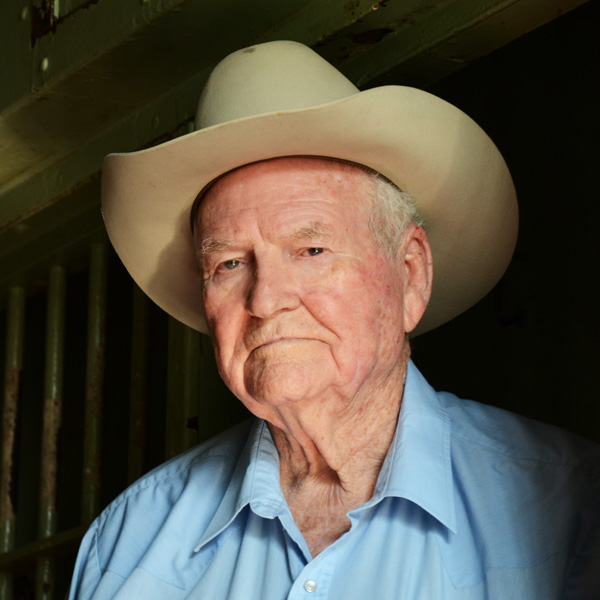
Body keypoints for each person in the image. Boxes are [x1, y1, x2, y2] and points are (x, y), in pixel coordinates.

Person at [69, 41, 599, 599]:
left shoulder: (571, 508)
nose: (266, 299)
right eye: (229, 263)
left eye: (311, 251)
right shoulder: (129, 544)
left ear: (411, 275)